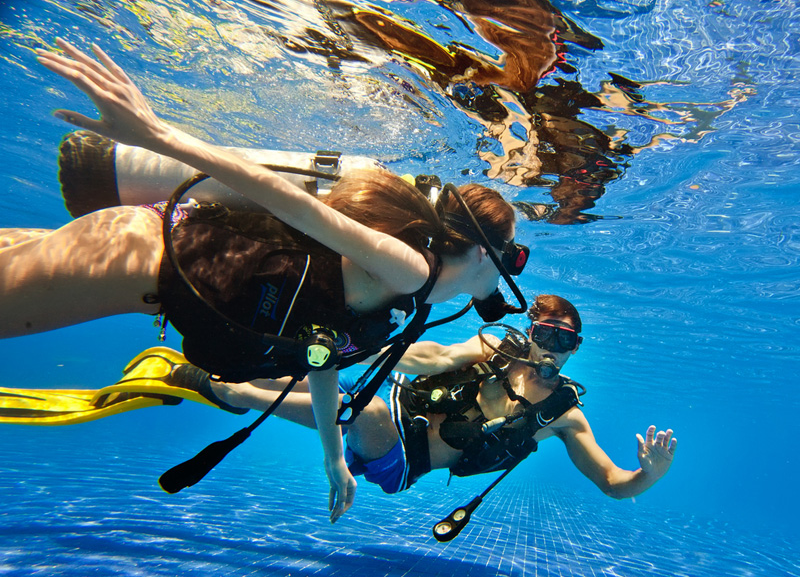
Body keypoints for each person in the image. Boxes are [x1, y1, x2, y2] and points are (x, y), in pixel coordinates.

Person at [0, 38, 524, 521]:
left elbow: (320, 354)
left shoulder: (408, 300)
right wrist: (158, 135)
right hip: (133, 260)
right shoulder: (411, 271)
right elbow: (292, 203)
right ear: (485, 253)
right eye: (514, 257)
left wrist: (332, 458)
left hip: (139, 256)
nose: (513, 271)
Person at [3, 295, 676, 529]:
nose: (553, 349)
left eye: (567, 342)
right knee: (320, 382)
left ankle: (227, 392)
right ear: (529, 330)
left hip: (395, 459)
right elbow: (425, 356)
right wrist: (407, 350)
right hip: (379, 406)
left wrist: (648, 474)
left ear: (575, 351)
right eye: (547, 333)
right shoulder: (485, 349)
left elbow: (613, 485)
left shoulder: (564, 414)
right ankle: (222, 379)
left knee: (364, 407)